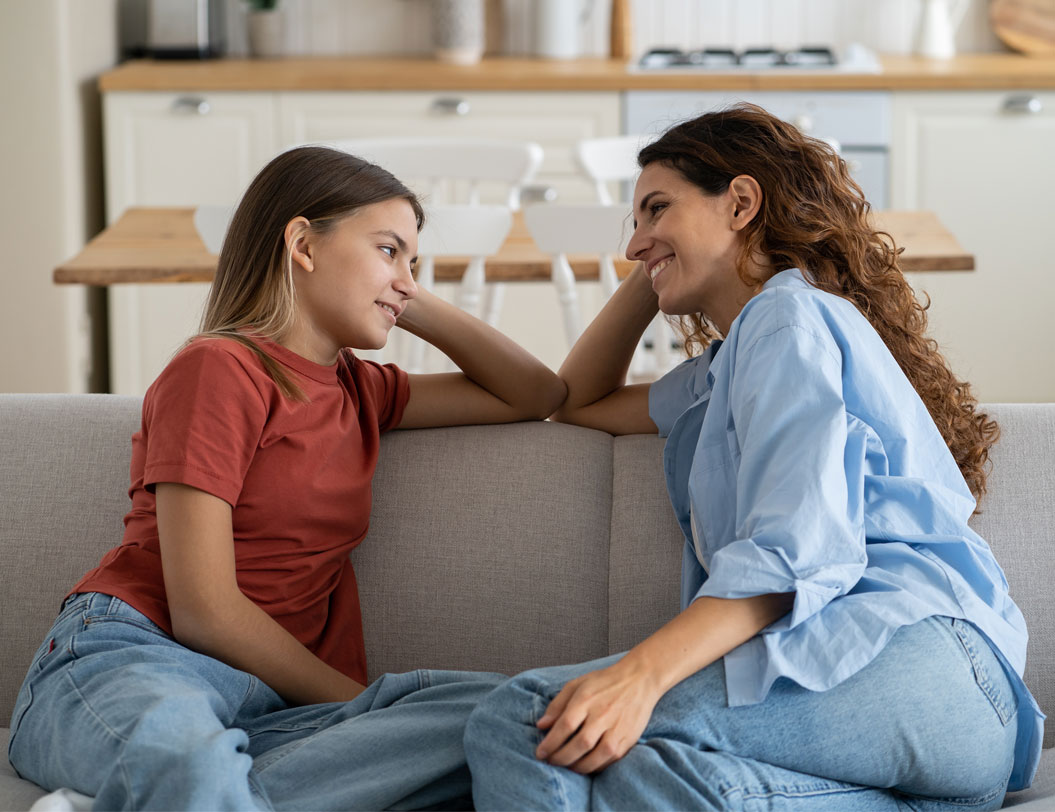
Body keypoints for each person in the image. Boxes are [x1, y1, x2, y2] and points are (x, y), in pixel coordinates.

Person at [464, 104, 1043, 810]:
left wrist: (641, 676)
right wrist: (659, 259)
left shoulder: (785, 319)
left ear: (740, 201)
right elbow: (576, 399)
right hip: (950, 729)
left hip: (907, 658)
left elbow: (793, 549)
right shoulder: (727, 367)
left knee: (528, 718)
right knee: (644, 778)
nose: (634, 242)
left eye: (656, 208)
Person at [7, 145, 566, 811]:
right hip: (138, 658)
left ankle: (128, 798)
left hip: (268, 709)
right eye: (388, 249)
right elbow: (203, 612)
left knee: (513, 717)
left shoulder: (364, 391)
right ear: (302, 242)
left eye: (413, 259)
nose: (406, 277)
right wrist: (358, 706)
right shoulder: (219, 370)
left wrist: (402, 292)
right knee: (188, 759)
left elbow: (535, 393)